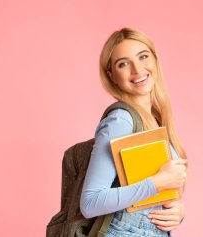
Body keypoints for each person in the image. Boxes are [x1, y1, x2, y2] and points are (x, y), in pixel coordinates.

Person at [80, 28, 188, 236]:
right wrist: (157, 183)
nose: (137, 70)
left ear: (155, 60)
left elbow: (151, 202)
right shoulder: (121, 120)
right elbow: (91, 202)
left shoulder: (154, 120)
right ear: (112, 76)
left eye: (143, 57)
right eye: (123, 63)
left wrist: (178, 212)